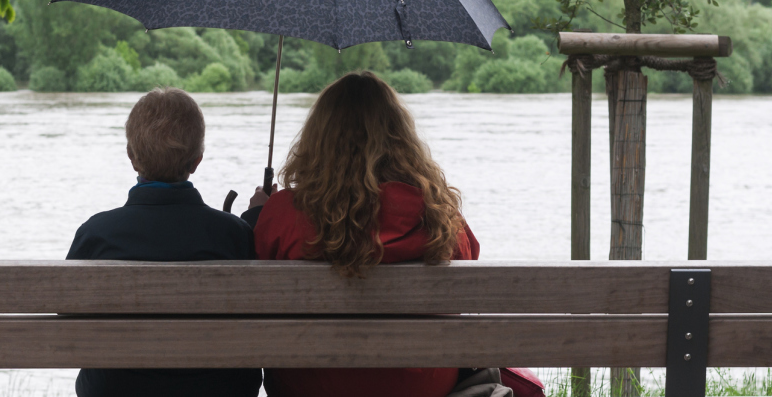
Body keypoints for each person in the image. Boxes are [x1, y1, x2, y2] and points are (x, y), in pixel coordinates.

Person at [241, 71, 480, 397]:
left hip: (310, 385)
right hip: (423, 386)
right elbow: (468, 266)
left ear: (318, 139)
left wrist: (259, 214)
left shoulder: (285, 212)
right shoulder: (440, 217)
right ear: (401, 139)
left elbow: (255, 292)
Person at [66, 87, 261, 397]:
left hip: (118, 390)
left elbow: (69, 317)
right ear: (197, 160)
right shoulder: (233, 234)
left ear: (131, 156)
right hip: (217, 389)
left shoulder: (97, 233)